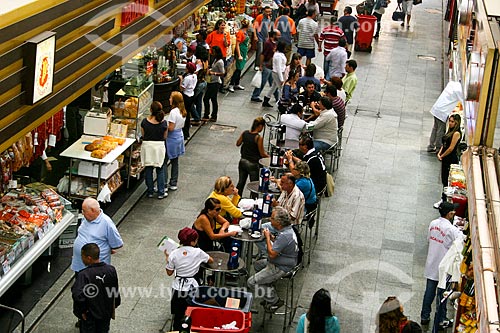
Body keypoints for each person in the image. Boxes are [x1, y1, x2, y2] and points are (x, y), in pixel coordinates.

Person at [420, 202, 463, 329]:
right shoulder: (452, 229)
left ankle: (424, 316)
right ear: (450, 214)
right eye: (453, 211)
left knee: (429, 292)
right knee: (442, 295)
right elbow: (461, 242)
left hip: (431, 263)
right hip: (444, 267)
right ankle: (441, 319)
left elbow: (429, 239)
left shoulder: (433, 224)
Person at [247, 206, 298, 311]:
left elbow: (271, 254)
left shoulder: (285, 235)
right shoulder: (287, 230)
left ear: (279, 222)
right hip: (280, 260)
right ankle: (268, 285)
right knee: (257, 265)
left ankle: (274, 300)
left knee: (251, 282)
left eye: (272, 218)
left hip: (280, 267)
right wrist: (273, 238)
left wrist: (268, 237)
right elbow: (280, 245)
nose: (270, 220)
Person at [165, 227, 213, 331]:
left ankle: (176, 329)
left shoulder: (173, 254)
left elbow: (169, 272)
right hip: (192, 286)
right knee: (192, 311)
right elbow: (210, 260)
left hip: (177, 287)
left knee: (178, 314)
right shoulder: (198, 252)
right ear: (192, 242)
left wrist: (167, 258)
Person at [72, 243, 121, 333]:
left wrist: (82, 311)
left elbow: (77, 295)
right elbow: (115, 289)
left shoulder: (84, 275)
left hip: (90, 315)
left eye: (82, 256)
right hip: (106, 313)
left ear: (89, 258)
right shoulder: (111, 270)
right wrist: (115, 304)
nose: (82, 259)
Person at [71, 198, 123, 274]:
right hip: (80, 265)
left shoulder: (107, 223)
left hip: (95, 270)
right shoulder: (86, 218)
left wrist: (107, 248)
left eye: (84, 211)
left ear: (92, 210)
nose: (82, 213)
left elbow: (117, 244)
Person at [140, 101, 168, 199]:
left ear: (151, 110)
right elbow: (165, 136)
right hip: (159, 147)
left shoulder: (144, 122)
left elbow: (143, 135)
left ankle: (150, 191)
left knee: (148, 170)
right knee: (160, 170)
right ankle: (161, 192)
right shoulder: (164, 123)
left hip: (147, 147)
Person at [236, 117, 269, 196]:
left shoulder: (245, 133)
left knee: (241, 182)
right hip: (253, 164)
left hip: (243, 161)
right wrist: (269, 156)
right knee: (254, 185)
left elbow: (238, 143)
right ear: (260, 126)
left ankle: (236, 199)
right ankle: (254, 201)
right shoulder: (258, 138)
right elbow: (262, 153)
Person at [427, 81, 463, 153]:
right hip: (442, 111)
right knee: (440, 130)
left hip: (437, 108)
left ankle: (431, 146)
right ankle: (438, 148)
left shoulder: (452, 84)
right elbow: (464, 101)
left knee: (435, 128)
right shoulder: (459, 90)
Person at [434, 114, 461, 208]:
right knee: (444, 179)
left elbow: (450, 148)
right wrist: (440, 153)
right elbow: (445, 144)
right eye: (450, 121)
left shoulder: (456, 133)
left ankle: (444, 200)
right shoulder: (449, 131)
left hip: (450, 158)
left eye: (452, 121)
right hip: (445, 157)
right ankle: (443, 198)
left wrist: (442, 155)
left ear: (456, 123)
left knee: (447, 180)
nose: (450, 123)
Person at [251, 30, 281, 103]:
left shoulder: (274, 43)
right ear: (273, 35)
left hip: (271, 66)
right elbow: (263, 54)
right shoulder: (268, 43)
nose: (279, 37)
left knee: (273, 83)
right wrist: (261, 65)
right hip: (266, 65)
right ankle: (255, 95)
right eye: (278, 35)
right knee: (263, 82)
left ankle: (278, 97)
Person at [166, 91, 186, 191]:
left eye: (170, 97)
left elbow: (171, 128)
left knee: (164, 162)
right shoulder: (182, 111)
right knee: (175, 162)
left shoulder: (173, 113)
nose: (169, 99)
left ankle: (164, 184)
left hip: (172, 139)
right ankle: (173, 182)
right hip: (179, 136)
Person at [203, 45, 225, 122]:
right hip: (211, 81)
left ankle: (207, 114)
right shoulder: (215, 60)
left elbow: (222, 73)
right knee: (213, 99)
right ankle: (212, 115)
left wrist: (213, 73)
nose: (212, 53)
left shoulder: (220, 62)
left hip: (215, 83)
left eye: (213, 52)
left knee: (207, 98)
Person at [263, 40, 287, 108]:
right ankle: (280, 103)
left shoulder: (278, 54)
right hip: (278, 73)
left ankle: (267, 99)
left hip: (277, 72)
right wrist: (281, 79)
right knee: (281, 89)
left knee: (273, 87)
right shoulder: (278, 56)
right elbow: (278, 67)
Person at [229, 20, 250, 93]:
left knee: (240, 69)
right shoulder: (240, 33)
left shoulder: (245, 32)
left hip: (244, 51)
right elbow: (237, 45)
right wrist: (239, 55)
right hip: (240, 52)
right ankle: (231, 84)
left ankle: (237, 83)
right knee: (238, 69)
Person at [192, 46, 209, 126]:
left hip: (198, 83)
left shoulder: (199, 61)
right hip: (204, 82)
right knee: (199, 101)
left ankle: (196, 117)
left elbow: (195, 71)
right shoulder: (206, 61)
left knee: (190, 101)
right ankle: (198, 117)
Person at [179, 62, 197, 139]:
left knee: (184, 114)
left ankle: (185, 132)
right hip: (191, 95)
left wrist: (181, 80)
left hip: (186, 96)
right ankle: (186, 132)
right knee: (188, 113)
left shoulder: (187, 78)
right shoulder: (194, 76)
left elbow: (182, 88)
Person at [253, 6, 273, 70]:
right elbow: (254, 27)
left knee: (265, 51)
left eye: (269, 11)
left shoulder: (269, 18)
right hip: (260, 37)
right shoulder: (259, 17)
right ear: (264, 11)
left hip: (266, 37)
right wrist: (255, 36)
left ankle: (263, 64)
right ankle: (257, 65)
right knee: (260, 51)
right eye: (267, 11)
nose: (268, 13)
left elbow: (268, 28)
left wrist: (269, 37)